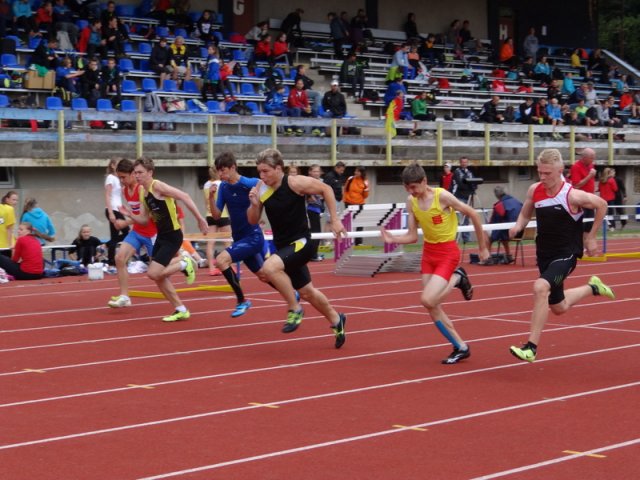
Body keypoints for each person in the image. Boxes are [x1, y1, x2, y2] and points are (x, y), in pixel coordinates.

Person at [508, 149, 614, 363]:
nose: (543, 177)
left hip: (566, 254)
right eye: (540, 172)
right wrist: (518, 225)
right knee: (559, 307)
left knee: (540, 288)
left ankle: (531, 348)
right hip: (544, 254)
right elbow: (526, 212)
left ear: (559, 171)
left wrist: (591, 237)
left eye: (547, 173)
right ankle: (593, 287)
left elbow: (602, 204)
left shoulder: (571, 195)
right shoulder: (534, 190)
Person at [380, 163, 489, 364]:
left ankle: (457, 278)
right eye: (407, 188)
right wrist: (392, 239)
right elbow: (412, 236)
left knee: (428, 300)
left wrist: (482, 247)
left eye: (413, 187)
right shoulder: (411, 202)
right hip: (429, 254)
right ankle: (460, 347)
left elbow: (473, 214)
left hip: (448, 253)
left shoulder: (442, 197)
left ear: (424, 181)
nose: (410, 191)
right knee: (432, 305)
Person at [247, 148, 347, 348]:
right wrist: (255, 205)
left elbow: (326, 189)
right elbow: (252, 220)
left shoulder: (294, 182)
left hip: (302, 243)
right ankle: (337, 320)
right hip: (285, 247)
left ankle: (294, 308)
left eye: (266, 171)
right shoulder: (261, 188)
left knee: (269, 268)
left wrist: (334, 219)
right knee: (308, 292)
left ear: (278, 168)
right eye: (259, 171)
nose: (262, 176)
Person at [121, 157, 208, 322]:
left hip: (173, 236)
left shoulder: (157, 186)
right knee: (159, 277)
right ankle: (180, 309)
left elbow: (185, 196)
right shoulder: (143, 192)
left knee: (153, 273)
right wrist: (129, 214)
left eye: (140, 172)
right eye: (135, 173)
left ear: (150, 172)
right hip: (161, 236)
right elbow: (145, 220)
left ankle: (184, 262)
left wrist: (199, 219)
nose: (137, 176)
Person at [209, 152, 266, 317]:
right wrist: (211, 198)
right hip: (239, 238)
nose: (220, 174)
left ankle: (242, 301)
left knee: (221, 260)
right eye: (218, 171)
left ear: (233, 167)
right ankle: (291, 293)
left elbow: (263, 183)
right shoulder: (224, 188)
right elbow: (217, 216)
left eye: (223, 170)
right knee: (263, 275)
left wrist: (258, 199)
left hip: (253, 237)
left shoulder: (249, 183)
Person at [107, 158, 158, 308]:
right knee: (119, 258)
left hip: (151, 232)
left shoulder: (141, 189)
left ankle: (183, 262)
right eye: (119, 177)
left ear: (132, 174)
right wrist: (127, 217)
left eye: (123, 177)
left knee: (159, 272)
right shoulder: (125, 191)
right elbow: (134, 213)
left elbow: (145, 217)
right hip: (137, 231)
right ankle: (125, 296)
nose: (121, 181)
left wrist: (125, 222)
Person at [203, 166, 231, 276]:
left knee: (210, 243)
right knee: (228, 243)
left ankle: (211, 268)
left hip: (210, 215)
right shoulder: (222, 183)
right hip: (222, 214)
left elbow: (206, 202)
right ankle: (229, 266)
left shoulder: (206, 185)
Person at [484, 186, 523, 263]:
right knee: (503, 231)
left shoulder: (500, 205)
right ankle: (508, 255)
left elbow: (493, 222)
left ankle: (487, 257)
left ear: (496, 195)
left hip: (508, 233)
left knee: (485, 232)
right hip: (520, 232)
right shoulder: (518, 202)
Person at [104, 158, 129, 269]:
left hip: (118, 208)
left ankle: (106, 246)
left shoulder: (119, 179)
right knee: (117, 235)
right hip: (113, 209)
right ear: (113, 165)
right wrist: (110, 213)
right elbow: (108, 195)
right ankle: (110, 262)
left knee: (126, 233)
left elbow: (120, 195)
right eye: (118, 164)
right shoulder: (110, 178)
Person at [570, 148, 597, 239]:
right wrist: (590, 176)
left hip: (590, 198)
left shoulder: (591, 165)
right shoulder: (576, 167)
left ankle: (586, 243)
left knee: (589, 224)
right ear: (584, 157)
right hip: (581, 200)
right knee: (581, 224)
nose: (593, 160)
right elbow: (576, 185)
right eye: (591, 158)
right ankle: (578, 243)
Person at [451, 157, 477, 242]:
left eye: (466, 162)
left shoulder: (469, 172)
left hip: (467, 197)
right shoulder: (457, 172)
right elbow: (460, 184)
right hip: (459, 197)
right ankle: (455, 239)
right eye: (463, 162)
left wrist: (472, 187)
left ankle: (467, 239)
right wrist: (469, 186)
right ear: (460, 163)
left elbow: (474, 183)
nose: (464, 164)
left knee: (466, 219)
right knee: (459, 219)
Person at [343, 166, 369, 246]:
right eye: (355, 171)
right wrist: (346, 199)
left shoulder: (365, 181)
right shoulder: (350, 179)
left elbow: (366, 195)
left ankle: (358, 242)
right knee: (348, 222)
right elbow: (345, 189)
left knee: (360, 222)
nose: (355, 173)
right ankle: (347, 241)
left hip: (359, 203)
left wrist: (358, 200)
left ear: (362, 173)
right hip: (348, 203)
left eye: (358, 171)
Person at [306, 164, 325, 261]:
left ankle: (313, 253)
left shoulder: (321, 182)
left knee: (315, 231)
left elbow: (323, 196)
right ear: (310, 172)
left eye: (318, 171)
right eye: (314, 171)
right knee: (316, 232)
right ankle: (313, 254)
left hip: (318, 209)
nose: (317, 173)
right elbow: (312, 197)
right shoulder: (308, 182)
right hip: (311, 209)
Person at [0, 190, 17, 256]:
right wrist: (10, 245)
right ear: (7, 199)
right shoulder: (10, 209)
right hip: (6, 245)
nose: (15, 202)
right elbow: (9, 228)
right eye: (13, 200)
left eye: (16, 200)